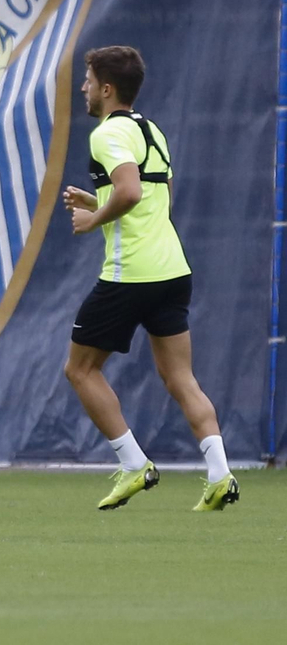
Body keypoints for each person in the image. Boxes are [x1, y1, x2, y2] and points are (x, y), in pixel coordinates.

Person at [62, 45, 237, 512]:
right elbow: (159, 198)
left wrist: (94, 218)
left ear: (106, 88)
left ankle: (134, 463)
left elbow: (130, 192)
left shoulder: (106, 134)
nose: (83, 87)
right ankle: (220, 475)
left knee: (80, 370)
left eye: (88, 79)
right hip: (172, 270)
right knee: (180, 377)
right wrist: (97, 199)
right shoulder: (151, 130)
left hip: (131, 275)